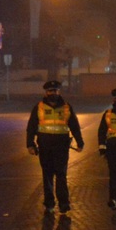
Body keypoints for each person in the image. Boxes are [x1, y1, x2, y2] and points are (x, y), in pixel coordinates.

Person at [26, 80, 84, 215]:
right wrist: (30, 144)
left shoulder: (66, 107)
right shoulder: (38, 107)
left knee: (61, 175)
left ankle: (64, 204)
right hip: (45, 146)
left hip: (61, 146)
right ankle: (49, 204)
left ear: (59, 92)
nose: (53, 93)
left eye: (56, 91)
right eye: (50, 91)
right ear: (46, 93)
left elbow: (74, 126)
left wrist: (80, 142)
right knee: (47, 176)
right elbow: (31, 127)